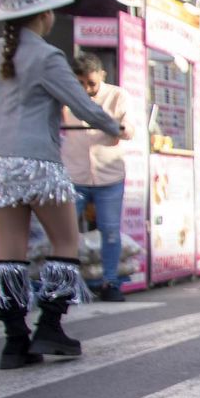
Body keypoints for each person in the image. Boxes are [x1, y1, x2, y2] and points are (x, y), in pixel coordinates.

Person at [0, 0, 122, 369]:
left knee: (8, 251)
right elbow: (83, 106)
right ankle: (49, 326)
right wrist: (116, 127)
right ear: (45, 15)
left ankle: (14, 341)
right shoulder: (48, 57)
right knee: (66, 243)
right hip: (38, 160)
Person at [62, 53, 133, 301]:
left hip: (109, 176)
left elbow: (129, 130)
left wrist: (113, 126)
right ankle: (66, 283)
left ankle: (110, 282)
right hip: (75, 174)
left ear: (102, 75)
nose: (86, 89)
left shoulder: (117, 95)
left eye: (91, 83)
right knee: (66, 232)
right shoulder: (67, 98)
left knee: (110, 231)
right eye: (80, 83)